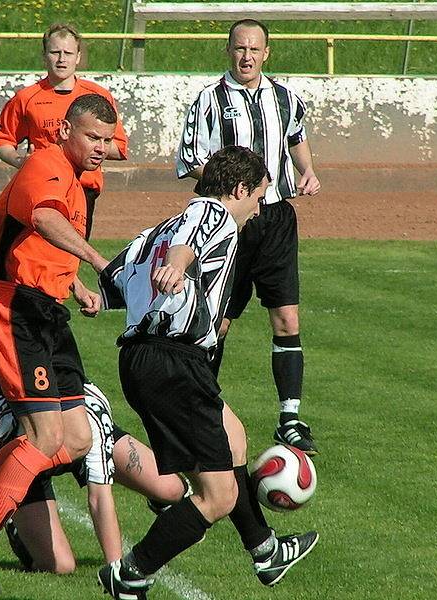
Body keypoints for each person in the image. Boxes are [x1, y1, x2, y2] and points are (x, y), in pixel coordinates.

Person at [97, 146, 318, 599]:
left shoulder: (160, 228)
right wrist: (179, 264)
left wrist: (93, 296)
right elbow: (189, 243)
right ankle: (130, 574)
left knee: (234, 436)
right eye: (257, 196)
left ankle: (265, 550)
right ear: (239, 189)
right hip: (172, 362)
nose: (259, 208)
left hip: (151, 359)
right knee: (218, 496)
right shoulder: (211, 213)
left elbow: (118, 278)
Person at [0, 93, 117, 595]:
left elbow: (44, 245)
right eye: (91, 137)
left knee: (76, 437)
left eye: (105, 140)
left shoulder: (76, 180)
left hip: (48, 315)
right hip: (15, 313)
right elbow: (42, 220)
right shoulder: (46, 165)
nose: (100, 148)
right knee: (42, 436)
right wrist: (101, 263)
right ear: (64, 133)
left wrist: (75, 284)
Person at [176, 19, 321, 455]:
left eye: (254, 50)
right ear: (228, 50)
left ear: (266, 53)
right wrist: (233, 186)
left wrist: (306, 170)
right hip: (230, 222)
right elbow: (189, 161)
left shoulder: (285, 98)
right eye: (240, 48)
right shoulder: (208, 100)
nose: (247, 57)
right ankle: (202, 413)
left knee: (287, 319)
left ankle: (290, 420)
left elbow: (296, 139)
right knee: (218, 324)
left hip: (276, 219)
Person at [0, 377, 189, 576]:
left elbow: (100, 497)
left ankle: (160, 496)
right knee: (61, 565)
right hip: (24, 469)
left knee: (171, 488)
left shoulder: (89, 412)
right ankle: (13, 516)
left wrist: (116, 570)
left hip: (79, 442)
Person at [0, 22, 128, 239]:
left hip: (82, 188)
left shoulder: (97, 97)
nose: (62, 59)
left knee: (69, 257)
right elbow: (1, 141)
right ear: (45, 55)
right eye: (55, 52)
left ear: (78, 56)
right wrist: (20, 161)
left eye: (68, 53)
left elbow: (119, 148)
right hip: (41, 183)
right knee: (25, 257)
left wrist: (85, 142)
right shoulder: (27, 98)